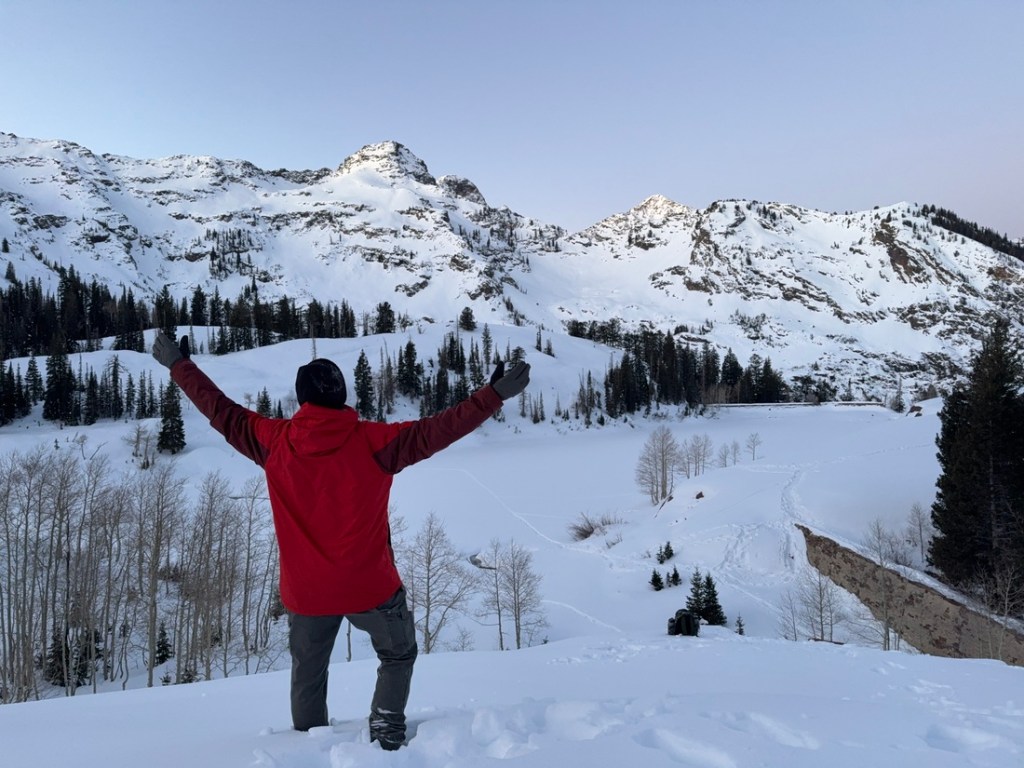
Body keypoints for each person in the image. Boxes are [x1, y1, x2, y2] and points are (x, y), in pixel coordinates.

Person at [152, 331, 530, 749]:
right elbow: (437, 430)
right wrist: (492, 396)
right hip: (370, 588)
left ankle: (307, 746)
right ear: (342, 396)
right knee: (398, 655)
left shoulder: (273, 441)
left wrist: (179, 366)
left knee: (308, 672)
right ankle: (386, 733)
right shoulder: (375, 442)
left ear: (302, 401)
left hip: (306, 593)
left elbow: (220, 410)